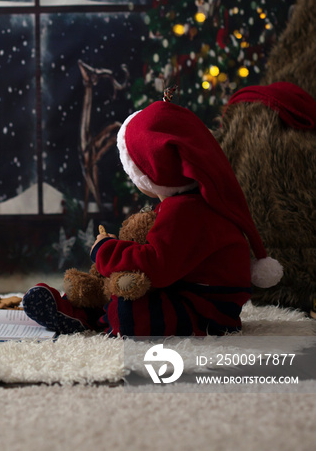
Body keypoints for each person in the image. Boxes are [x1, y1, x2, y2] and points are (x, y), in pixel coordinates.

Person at [23, 94, 282, 336]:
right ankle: (78, 308)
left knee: (129, 301)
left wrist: (106, 250)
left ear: (149, 173)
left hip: (207, 308)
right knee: (123, 283)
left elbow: (156, 267)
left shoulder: (186, 211)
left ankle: (89, 316)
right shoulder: (193, 201)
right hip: (190, 292)